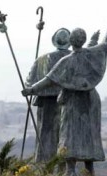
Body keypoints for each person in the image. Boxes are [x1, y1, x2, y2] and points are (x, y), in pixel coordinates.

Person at [22, 17, 107, 176]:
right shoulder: (92, 53)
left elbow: (48, 80)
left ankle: (71, 171)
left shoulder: (66, 61)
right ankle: (89, 171)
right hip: (90, 99)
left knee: (70, 134)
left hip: (73, 100)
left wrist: (31, 89)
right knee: (89, 134)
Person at [25, 28, 71, 164]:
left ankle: (43, 164)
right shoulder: (74, 59)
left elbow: (29, 83)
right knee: (65, 136)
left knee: (45, 135)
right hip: (68, 103)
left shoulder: (42, 60)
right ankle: (64, 167)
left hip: (47, 104)